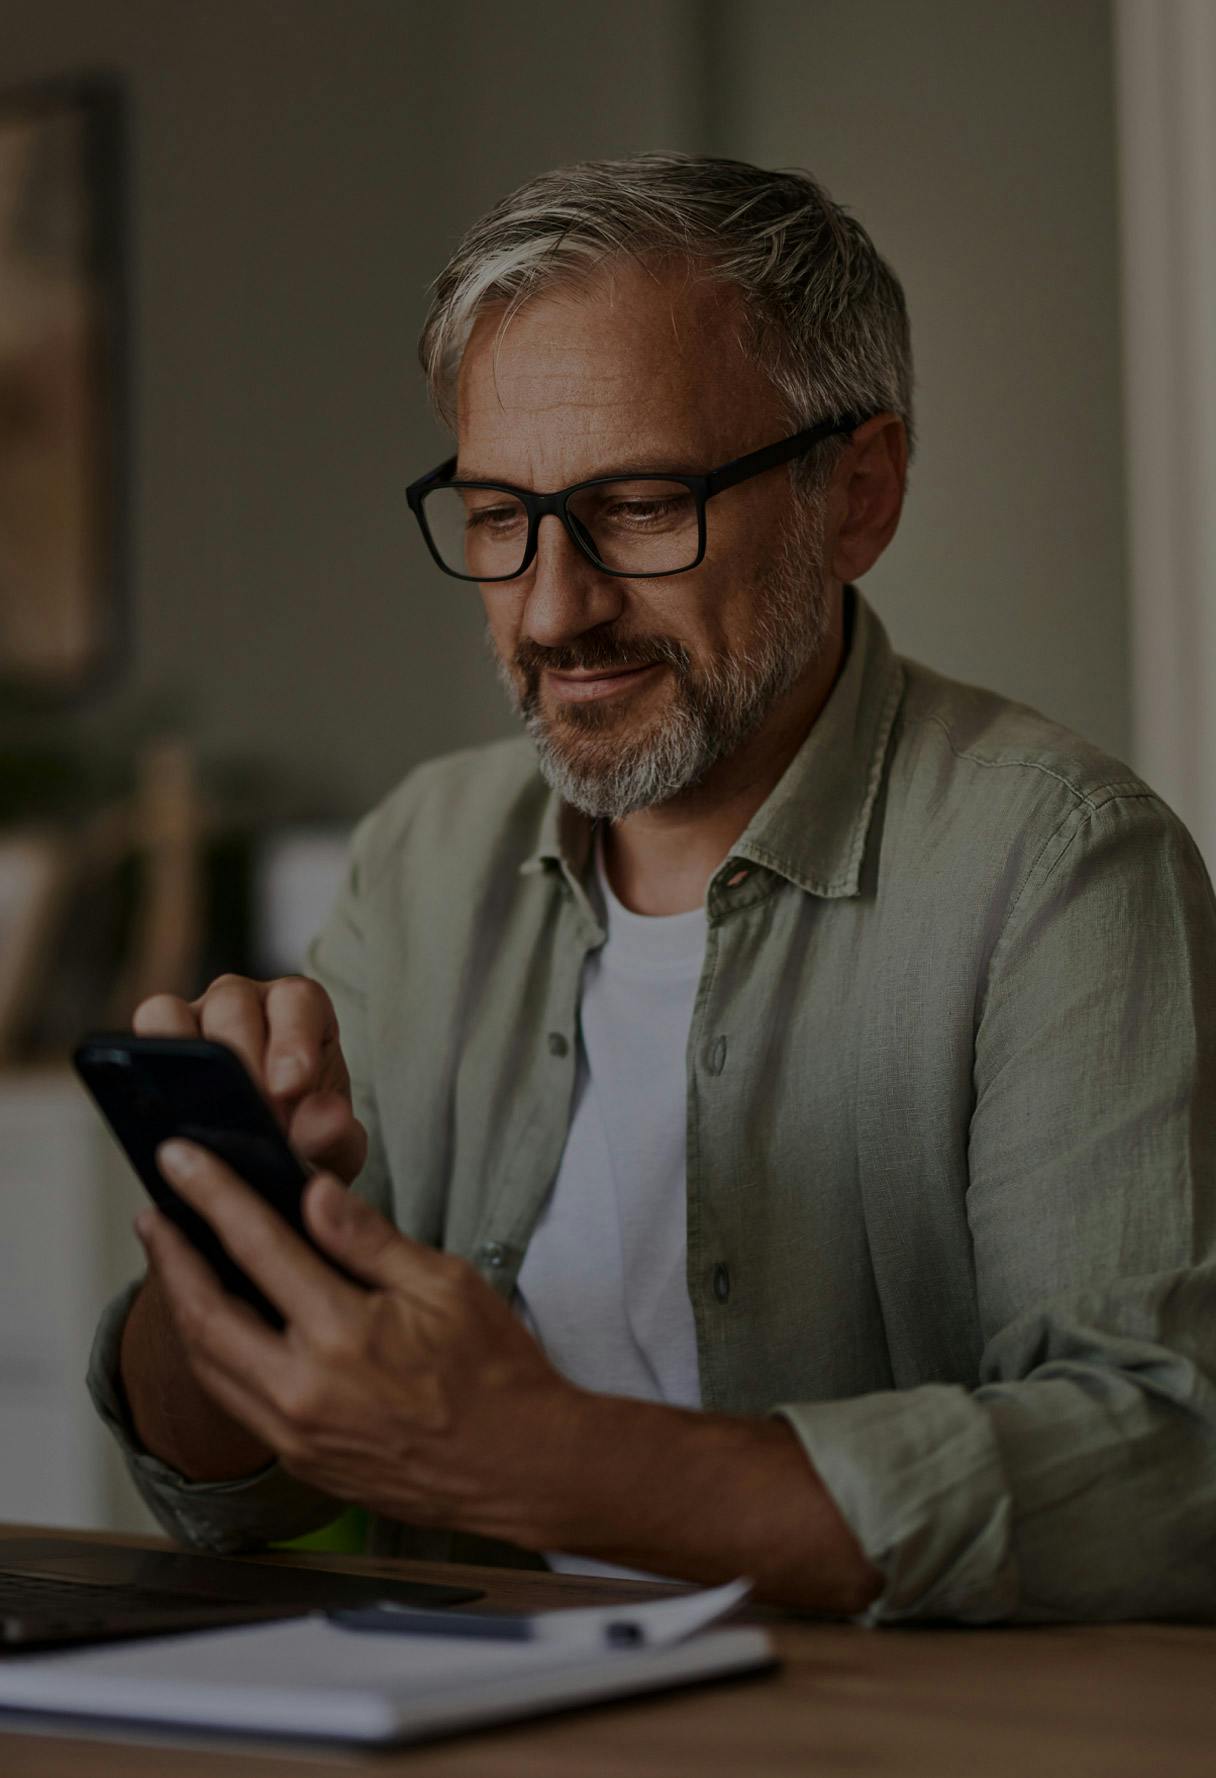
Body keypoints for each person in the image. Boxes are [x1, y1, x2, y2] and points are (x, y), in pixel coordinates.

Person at [90, 154, 1216, 1626]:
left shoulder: (1065, 867)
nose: (554, 607)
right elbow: (223, 1489)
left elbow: (1161, 1470)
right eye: (499, 515)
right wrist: (230, 1258)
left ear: (857, 494)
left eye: (637, 506)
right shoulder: (423, 855)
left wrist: (551, 1459)